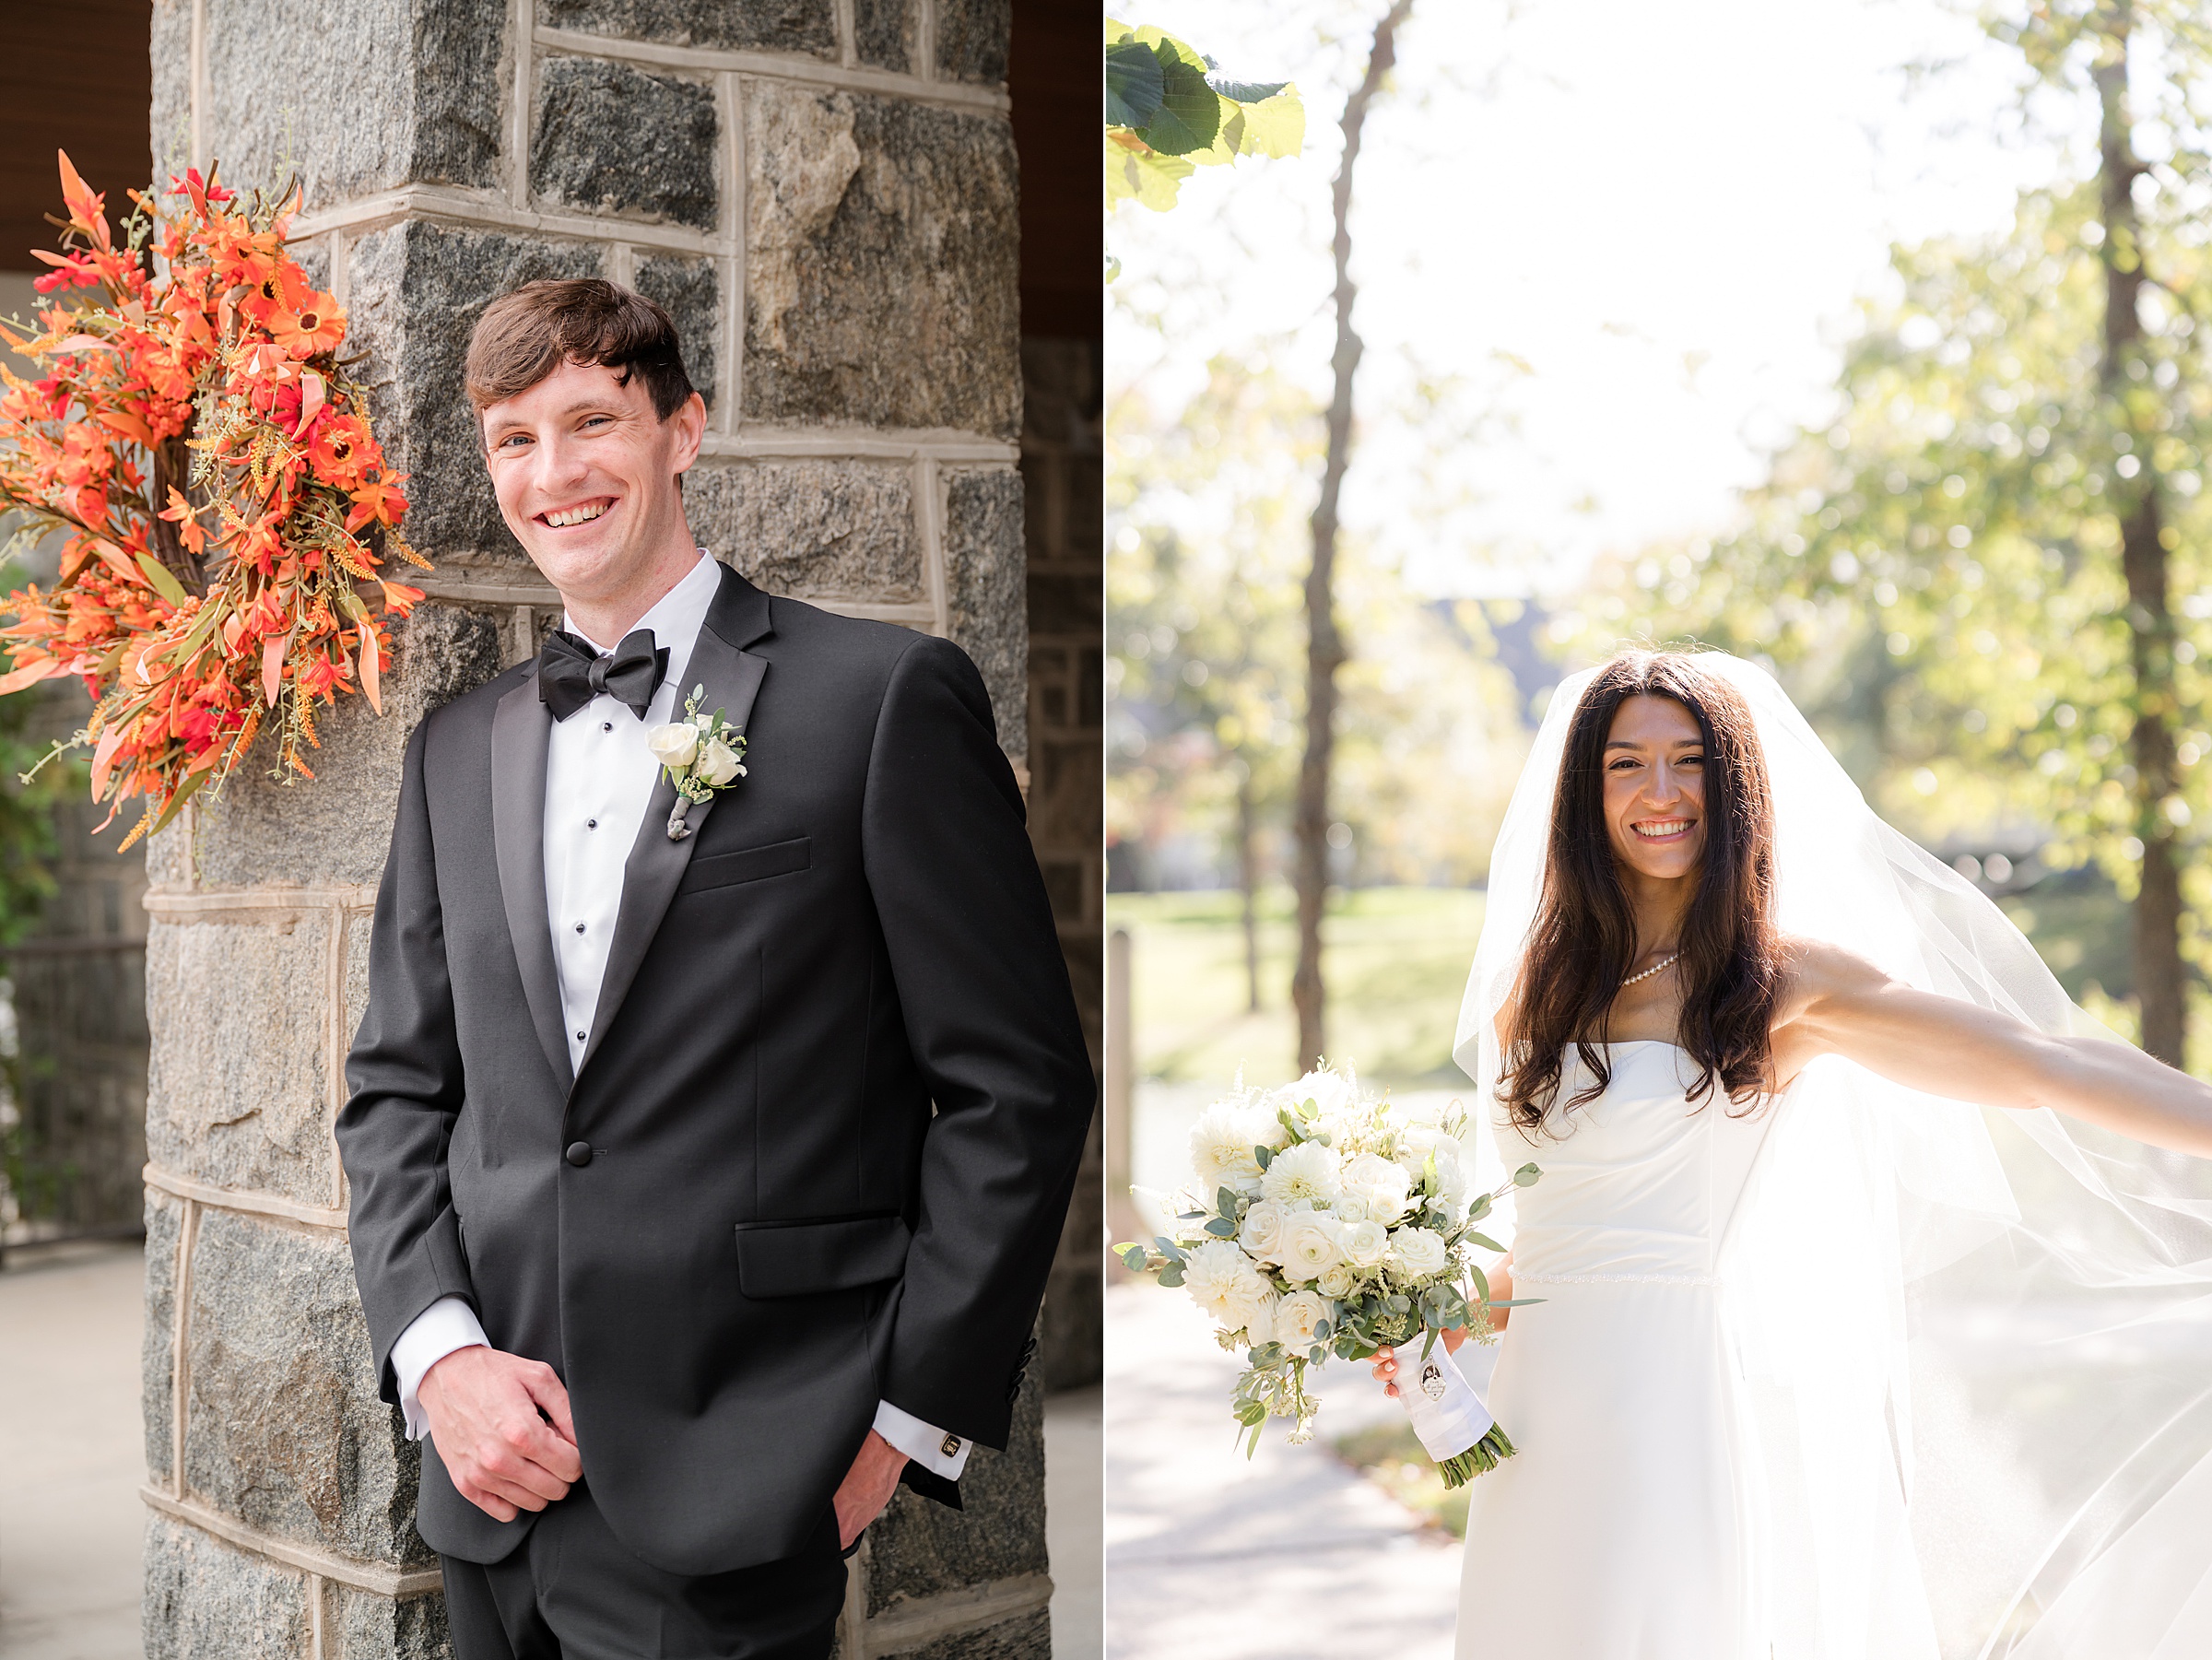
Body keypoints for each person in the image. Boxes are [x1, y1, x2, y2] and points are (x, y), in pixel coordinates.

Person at [335, 279, 1094, 1659]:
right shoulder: (454, 748)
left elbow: (1017, 1090)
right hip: (491, 1482)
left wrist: (904, 1421)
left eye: (590, 422)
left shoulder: (879, 700)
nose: (552, 473)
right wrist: (439, 1357)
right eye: (514, 438)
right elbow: (395, 1088)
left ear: (685, 430)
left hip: (750, 1472)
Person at [1372, 648, 2212, 1659]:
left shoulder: (1781, 984)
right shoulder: (1535, 991)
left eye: (1688, 762)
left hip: (1668, 1397)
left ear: (1732, 788)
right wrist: (1446, 1307)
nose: (1661, 792)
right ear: (1584, 793)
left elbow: (2040, 1063)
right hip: (1538, 1411)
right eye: (1627, 764)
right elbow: (1555, 1230)